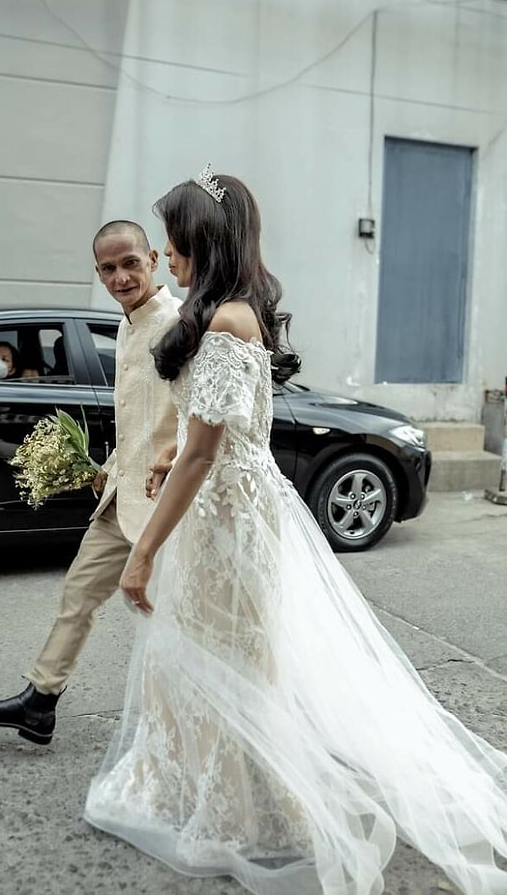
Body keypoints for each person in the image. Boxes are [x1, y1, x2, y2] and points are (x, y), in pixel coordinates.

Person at [84, 168, 507, 895]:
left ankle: (244, 811)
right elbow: (212, 428)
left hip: (228, 520)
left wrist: (142, 552)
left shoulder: (226, 322)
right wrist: (167, 454)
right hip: (228, 509)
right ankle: (210, 791)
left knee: (226, 663)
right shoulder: (231, 312)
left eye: (174, 241)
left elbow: (208, 452)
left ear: (202, 242)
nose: (166, 253)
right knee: (211, 658)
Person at [0, 220, 182, 745]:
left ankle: (190, 728)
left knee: (175, 619)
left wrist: (167, 459)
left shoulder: (179, 325)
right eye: (108, 268)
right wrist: (111, 465)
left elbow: (195, 417)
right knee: (78, 594)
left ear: (153, 260)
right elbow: (143, 417)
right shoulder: (127, 325)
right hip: (120, 495)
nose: (120, 277)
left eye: (130, 263)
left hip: (165, 502)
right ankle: (40, 702)